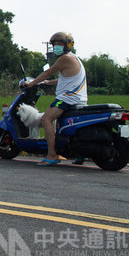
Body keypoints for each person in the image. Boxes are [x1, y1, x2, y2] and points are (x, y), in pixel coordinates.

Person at [22, 31, 87, 166]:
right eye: (54, 44)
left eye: (59, 44)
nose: (56, 47)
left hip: (67, 98)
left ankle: (51, 155)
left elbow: (47, 72)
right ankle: (81, 154)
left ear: (67, 45)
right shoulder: (75, 59)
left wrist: (31, 83)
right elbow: (64, 78)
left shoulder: (65, 58)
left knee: (46, 119)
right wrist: (48, 83)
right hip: (78, 99)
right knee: (65, 125)